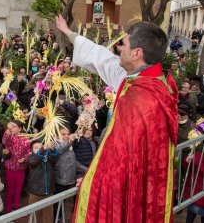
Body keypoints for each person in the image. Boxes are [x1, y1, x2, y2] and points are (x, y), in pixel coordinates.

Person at [56, 15, 178, 222]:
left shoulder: (141, 99)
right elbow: (102, 59)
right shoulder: (141, 79)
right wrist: (69, 33)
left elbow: (120, 157)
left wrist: (94, 181)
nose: (119, 47)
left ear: (137, 53)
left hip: (128, 188)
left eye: (125, 44)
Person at [184, 139, 204, 223]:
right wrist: (188, 161)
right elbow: (186, 168)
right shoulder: (198, 155)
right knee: (189, 217)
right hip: (194, 193)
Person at [2, 120, 31, 213]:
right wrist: (7, 129)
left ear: (20, 128)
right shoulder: (10, 137)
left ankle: (16, 205)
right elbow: (4, 140)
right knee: (10, 190)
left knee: (18, 188)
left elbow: (29, 152)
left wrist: (25, 158)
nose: (12, 128)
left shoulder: (26, 138)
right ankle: (8, 208)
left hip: (21, 168)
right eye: (11, 126)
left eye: (14, 127)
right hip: (10, 168)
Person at [27, 140, 58, 223]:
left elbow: (55, 158)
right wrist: (42, 150)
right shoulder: (31, 158)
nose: (39, 149)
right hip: (35, 193)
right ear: (31, 151)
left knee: (48, 218)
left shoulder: (48, 157)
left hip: (48, 193)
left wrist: (52, 149)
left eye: (40, 147)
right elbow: (34, 161)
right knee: (34, 217)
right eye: (36, 148)